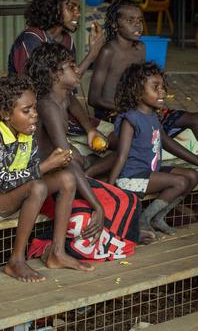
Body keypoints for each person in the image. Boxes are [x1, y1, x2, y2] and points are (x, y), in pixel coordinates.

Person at [88, 0, 198, 183]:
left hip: (138, 109)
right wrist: (130, 107)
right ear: (116, 25)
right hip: (114, 113)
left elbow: (141, 86)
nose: (137, 25)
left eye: (140, 20)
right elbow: (93, 98)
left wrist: (149, 103)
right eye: (130, 21)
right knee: (157, 133)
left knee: (194, 118)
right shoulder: (108, 51)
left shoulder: (140, 48)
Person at [0, 75, 93, 282]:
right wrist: (47, 165)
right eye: (26, 111)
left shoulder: (25, 133)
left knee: (67, 178)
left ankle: (57, 253)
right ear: (5, 114)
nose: (34, 115)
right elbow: (3, 181)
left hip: (10, 196)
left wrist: (58, 163)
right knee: (38, 187)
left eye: (34, 108)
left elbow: (30, 170)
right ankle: (16, 261)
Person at [25, 42, 145, 257]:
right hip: (51, 180)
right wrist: (96, 205)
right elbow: (66, 159)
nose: (78, 69)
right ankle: (47, 245)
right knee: (115, 202)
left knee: (118, 173)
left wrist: (90, 130)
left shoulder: (64, 96)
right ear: (54, 74)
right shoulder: (48, 105)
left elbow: (76, 108)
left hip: (71, 170)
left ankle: (121, 233)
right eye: (71, 65)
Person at [109, 62, 198, 236]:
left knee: (192, 176)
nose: (162, 92)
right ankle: (144, 220)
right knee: (179, 182)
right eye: (155, 87)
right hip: (131, 177)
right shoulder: (131, 119)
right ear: (137, 91)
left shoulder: (152, 115)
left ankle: (158, 217)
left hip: (149, 172)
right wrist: (111, 187)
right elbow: (121, 156)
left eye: (163, 87)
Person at [8, 0, 106, 141]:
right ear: (53, 7)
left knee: (113, 137)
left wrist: (89, 128)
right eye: (71, 7)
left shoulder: (67, 41)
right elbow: (34, 93)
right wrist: (92, 55)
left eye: (78, 8)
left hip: (64, 111)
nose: (78, 14)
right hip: (38, 120)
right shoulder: (31, 40)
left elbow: (67, 90)